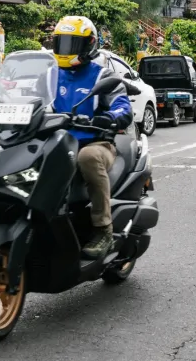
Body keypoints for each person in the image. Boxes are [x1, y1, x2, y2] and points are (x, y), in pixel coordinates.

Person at [40, 16, 132, 259]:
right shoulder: (48, 74)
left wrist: (108, 118)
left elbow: (123, 108)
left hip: (95, 142)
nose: (66, 50)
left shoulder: (102, 75)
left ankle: (104, 230)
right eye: (62, 43)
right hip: (55, 142)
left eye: (73, 44)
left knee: (88, 158)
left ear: (89, 44)